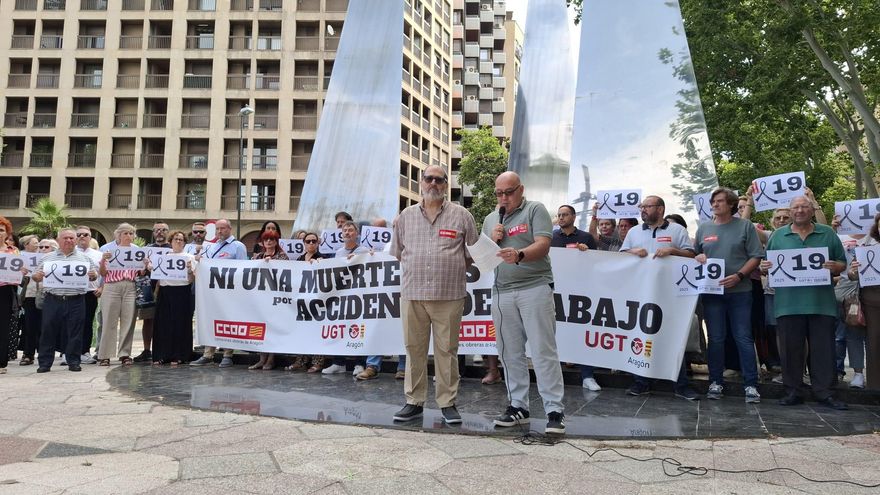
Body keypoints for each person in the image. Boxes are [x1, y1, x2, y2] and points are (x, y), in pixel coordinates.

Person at [390, 166, 478, 424]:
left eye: (439, 180)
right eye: (429, 179)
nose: (433, 183)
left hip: (449, 295)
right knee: (413, 349)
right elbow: (398, 253)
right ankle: (414, 402)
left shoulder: (462, 215)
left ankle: (447, 403)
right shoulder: (405, 217)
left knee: (447, 350)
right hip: (413, 294)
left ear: (446, 185)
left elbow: (472, 254)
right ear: (421, 182)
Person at [483, 171, 566, 435]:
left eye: (509, 192)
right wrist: (491, 241)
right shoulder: (489, 219)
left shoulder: (535, 210)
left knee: (543, 351)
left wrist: (519, 254)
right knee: (509, 353)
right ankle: (518, 406)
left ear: (521, 189)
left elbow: (543, 245)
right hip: (501, 292)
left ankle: (554, 410)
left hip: (534, 287)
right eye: (499, 193)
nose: (504, 197)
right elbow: (484, 259)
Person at [763, 196, 847, 409]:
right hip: (788, 304)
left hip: (821, 303)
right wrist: (764, 267)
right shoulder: (778, 235)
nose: (799, 210)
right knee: (791, 351)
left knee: (823, 351)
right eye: (795, 207)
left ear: (811, 210)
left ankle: (825, 393)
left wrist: (834, 267)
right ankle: (793, 391)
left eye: (804, 207)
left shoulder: (827, 233)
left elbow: (842, 263)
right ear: (790, 212)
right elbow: (768, 263)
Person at [620, 196, 700, 400]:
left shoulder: (677, 231)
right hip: (640, 293)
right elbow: (620, 259)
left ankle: (680, 384)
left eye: (647, 206)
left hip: (670, 294)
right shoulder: (634, 231)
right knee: (641, 336)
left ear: (660, 209)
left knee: (673, 338)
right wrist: (631, 251)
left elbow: (692, 257)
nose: (643, 210)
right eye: (642, 207)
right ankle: (641, 382)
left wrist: (673, 251)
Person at [694, 187, 764, 403]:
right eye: (713, 201)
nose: (715, 204)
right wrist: (699, 258)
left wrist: (740, 275)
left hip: (740, 292)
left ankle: (751, 384)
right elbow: (695, 252)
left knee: (743, 337)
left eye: (721, 201)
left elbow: (756, 256)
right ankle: (715, 382)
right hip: (713, 293)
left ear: (732, 204)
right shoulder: (703, 228)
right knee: (716, 338)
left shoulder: (745, 227)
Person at [30, 228, 99, 373]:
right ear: (58, 240)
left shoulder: (85, 259)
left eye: (71, 238)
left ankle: (73, 361)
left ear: (75, 240)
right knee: (48, 330)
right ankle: (45, 363)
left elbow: (94, 277)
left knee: (75, 331)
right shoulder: (47, 258)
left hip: (76, 299)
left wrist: (93, 275)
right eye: (65, 238)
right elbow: (35, 276)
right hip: (53, 299)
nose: (68, 240)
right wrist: (38, 276)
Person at [551, 204, 600, 391]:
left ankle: (588, 376)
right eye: (559, 214)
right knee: (557, 333)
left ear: (573, 217)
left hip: (581, 292)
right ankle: (554, 378)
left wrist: (586, 253)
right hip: (557, 291)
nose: (561, 217)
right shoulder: (552, 238)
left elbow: (596, 263)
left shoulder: (585, 237)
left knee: (583, 333)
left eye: (565, 214)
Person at [190, 219, 248, 367]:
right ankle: (208, 354)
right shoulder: (212, 246)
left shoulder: (237, 246)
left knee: (228, 322)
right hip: (212, 292)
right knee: (211, 321)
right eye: (217, 229)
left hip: (230, 292)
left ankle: (228, 354)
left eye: (222, 228)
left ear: (230, 229)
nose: (219, 231)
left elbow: (243, 269)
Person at [322, 221, 372, 376]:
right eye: (345, 230)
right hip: (341, 297)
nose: (347, 233)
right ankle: (338, 362)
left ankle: (359, 363)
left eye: (351, 230)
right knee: (339, 328)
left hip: (358, 296)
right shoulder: (338, 253)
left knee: (358, 329)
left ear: (357, 233)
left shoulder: (363, 250)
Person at [147, 230, 196, 366]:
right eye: (175, 239)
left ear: (185, 242)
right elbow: (156, 273)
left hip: (182, 291)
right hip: (165, 291)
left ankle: (180, 355)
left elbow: (192, 278)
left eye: (181, 239)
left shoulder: (189, 257)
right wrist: (150, 267)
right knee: (163, 324)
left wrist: (191, 269)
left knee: (180, 323)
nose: (178, 241)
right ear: (170, 241)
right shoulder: (163, 255)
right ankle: (162, 355)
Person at [97, 223, 142, 366]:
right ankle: (105, 355)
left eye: (131, 233)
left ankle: (125, 354)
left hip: (130, 285)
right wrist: (103, 260)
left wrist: (145, 265)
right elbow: (103, 273)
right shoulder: (109, 249)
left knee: (128, 320)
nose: (128, 236)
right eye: (125, 233)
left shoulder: (137, 250)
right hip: (111, 285)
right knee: (108, 320)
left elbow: (140, 273)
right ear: (118, 235)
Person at [287, 231, 326, 373]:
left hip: (316, 301)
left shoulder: (324, 258)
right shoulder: (298, 259)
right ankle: (300, 361)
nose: (311, 243)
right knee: (301, 331)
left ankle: (317, 362)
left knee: (316, 331)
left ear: (318, 243)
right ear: (303, 243)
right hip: (301, 301)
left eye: (313, 241)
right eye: (308, 241)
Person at [248, 229, 288, 370]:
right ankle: (261, 358)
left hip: (275, 299)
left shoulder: (282, 256)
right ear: (262, 242)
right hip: (259, 299)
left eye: (272, 239)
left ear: (276, 242)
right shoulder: (257, 257)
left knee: (272, 328)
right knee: (259, 329)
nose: (269, 242)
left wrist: (272, 263)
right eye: (266, 240)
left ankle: (271, 359)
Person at [849, 213, 880, 390]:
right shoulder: (866, 246)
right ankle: (876, 387)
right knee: (874, 342)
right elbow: (852, 276)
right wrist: (854, 270)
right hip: (872, 299)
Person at [133, 222, 171, 363]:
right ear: (153, 233)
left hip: (168, 288)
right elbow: (139, 271)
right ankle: (147, 350)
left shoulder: (173, 249)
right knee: (148, 320)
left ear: (168, 232)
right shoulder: (146, 250)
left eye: (163, 230)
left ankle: (163, 349)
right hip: (148, 287)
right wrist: (142, 269)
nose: (160, 233)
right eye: (156, 230)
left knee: (166, 320)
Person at [0, 217, 26, 374]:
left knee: (3, 326)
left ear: (7, 233)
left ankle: (1, 362)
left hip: (5, 291)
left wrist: (21, 272)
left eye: (2, 230)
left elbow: (18, 272)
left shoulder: (13, 251)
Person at [75, 226, 101, 365]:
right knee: (72, 322)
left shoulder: (98, 254)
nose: (82, 237)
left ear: (90, 237)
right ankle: (70, 352)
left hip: (91, 292)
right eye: (79, 234)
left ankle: (85, 351)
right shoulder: (70, 253)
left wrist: (101, 287)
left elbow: (104, 273)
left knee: (87, 322)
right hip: (73, 292)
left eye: (85, 234)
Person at [18, 235, 44, 366]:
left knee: (44, 325)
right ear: (26, 245)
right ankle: (28, 354)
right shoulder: (19, 258)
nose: (38, 245)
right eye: (35, 243)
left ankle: (44, 354)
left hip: (45, 294)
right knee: (29, 326)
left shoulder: (44, 257)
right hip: (29, 294)